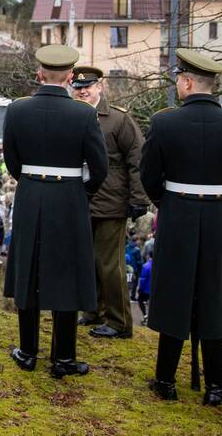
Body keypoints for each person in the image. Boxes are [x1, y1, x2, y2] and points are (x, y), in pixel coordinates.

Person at [141, 48, 222, 406]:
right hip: (221, 216)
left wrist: (171, 204)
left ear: (189, 82)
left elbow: (149, 178)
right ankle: (217, 387)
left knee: (175, 295)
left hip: (178, 215)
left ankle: (165, 380)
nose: (178, 84)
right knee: (215, 297)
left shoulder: (164, 123)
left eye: (179, 79)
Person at [3, 45, 108, 378]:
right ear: (71, 77)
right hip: (68, 197)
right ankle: (63, 357)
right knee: (66, 275)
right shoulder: (84, 114)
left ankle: (28, 351)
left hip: (32, 193)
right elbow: (100, 167)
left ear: (39, 74)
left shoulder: (17, 110)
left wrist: (33, 181)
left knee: (29, 272)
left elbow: (12, 161)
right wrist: (80, 190)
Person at [71, 65, 150, 339]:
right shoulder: (71, 116)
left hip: (111, 203)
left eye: (87, 87)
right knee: (86, 261)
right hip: (80, 200)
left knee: (109, 263)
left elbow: (137, 160)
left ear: (99, 87)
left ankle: (119, 321)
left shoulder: (117, 120)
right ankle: (93, 311)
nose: (82, 92)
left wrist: (138, 198)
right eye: (78, 88)